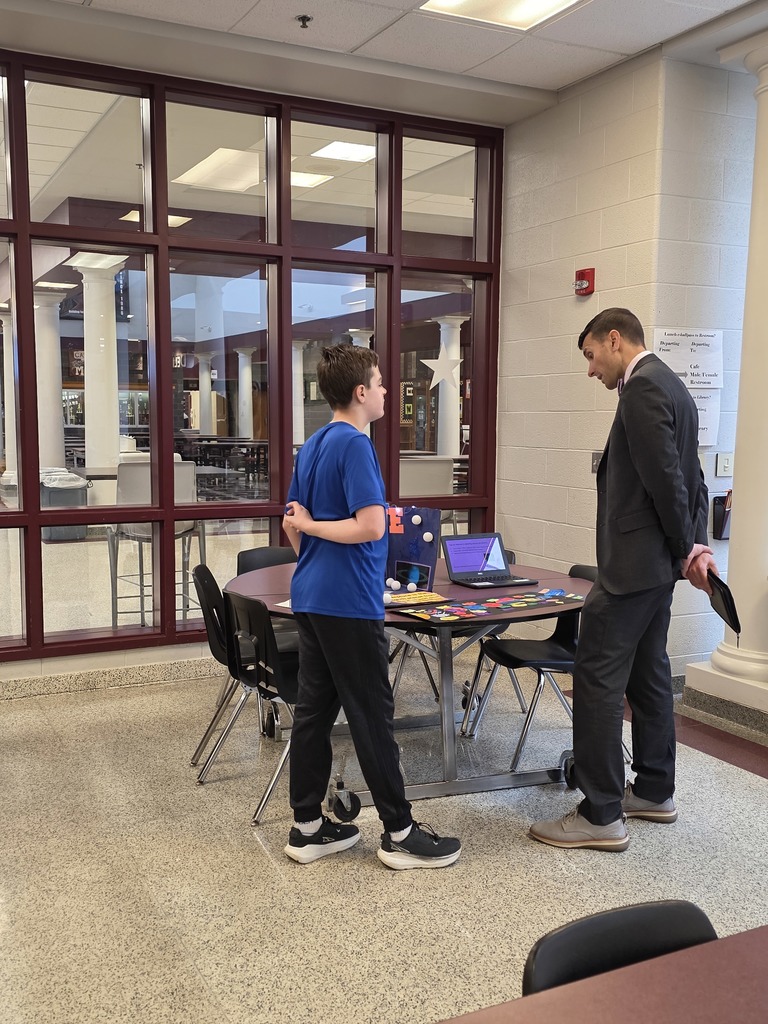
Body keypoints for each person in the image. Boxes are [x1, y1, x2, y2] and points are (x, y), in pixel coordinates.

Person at [529, 308, 716, 852]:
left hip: (634, 568)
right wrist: (692, 548)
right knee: (648, 675)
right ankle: (655, 790)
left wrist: (687, 549)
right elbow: (693, 480)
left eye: (591, 355)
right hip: (657, 568)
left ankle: (600, 812)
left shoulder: (641, 389)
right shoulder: (674, 386)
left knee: (596, 681)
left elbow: (665, 481)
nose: (591, 370)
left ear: (615, 340)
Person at [281, 343, 461, 870]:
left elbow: (292, 521)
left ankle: (308, 827)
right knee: (372, 715)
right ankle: (400, 832)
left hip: (313, 596)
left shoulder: (313, 444)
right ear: (361, 393)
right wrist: (317, 531)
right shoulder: (355, 446)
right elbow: (372, 525)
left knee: (314, 712)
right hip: (349, 603)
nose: (386, 391)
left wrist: (311, 542)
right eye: (381, 384)